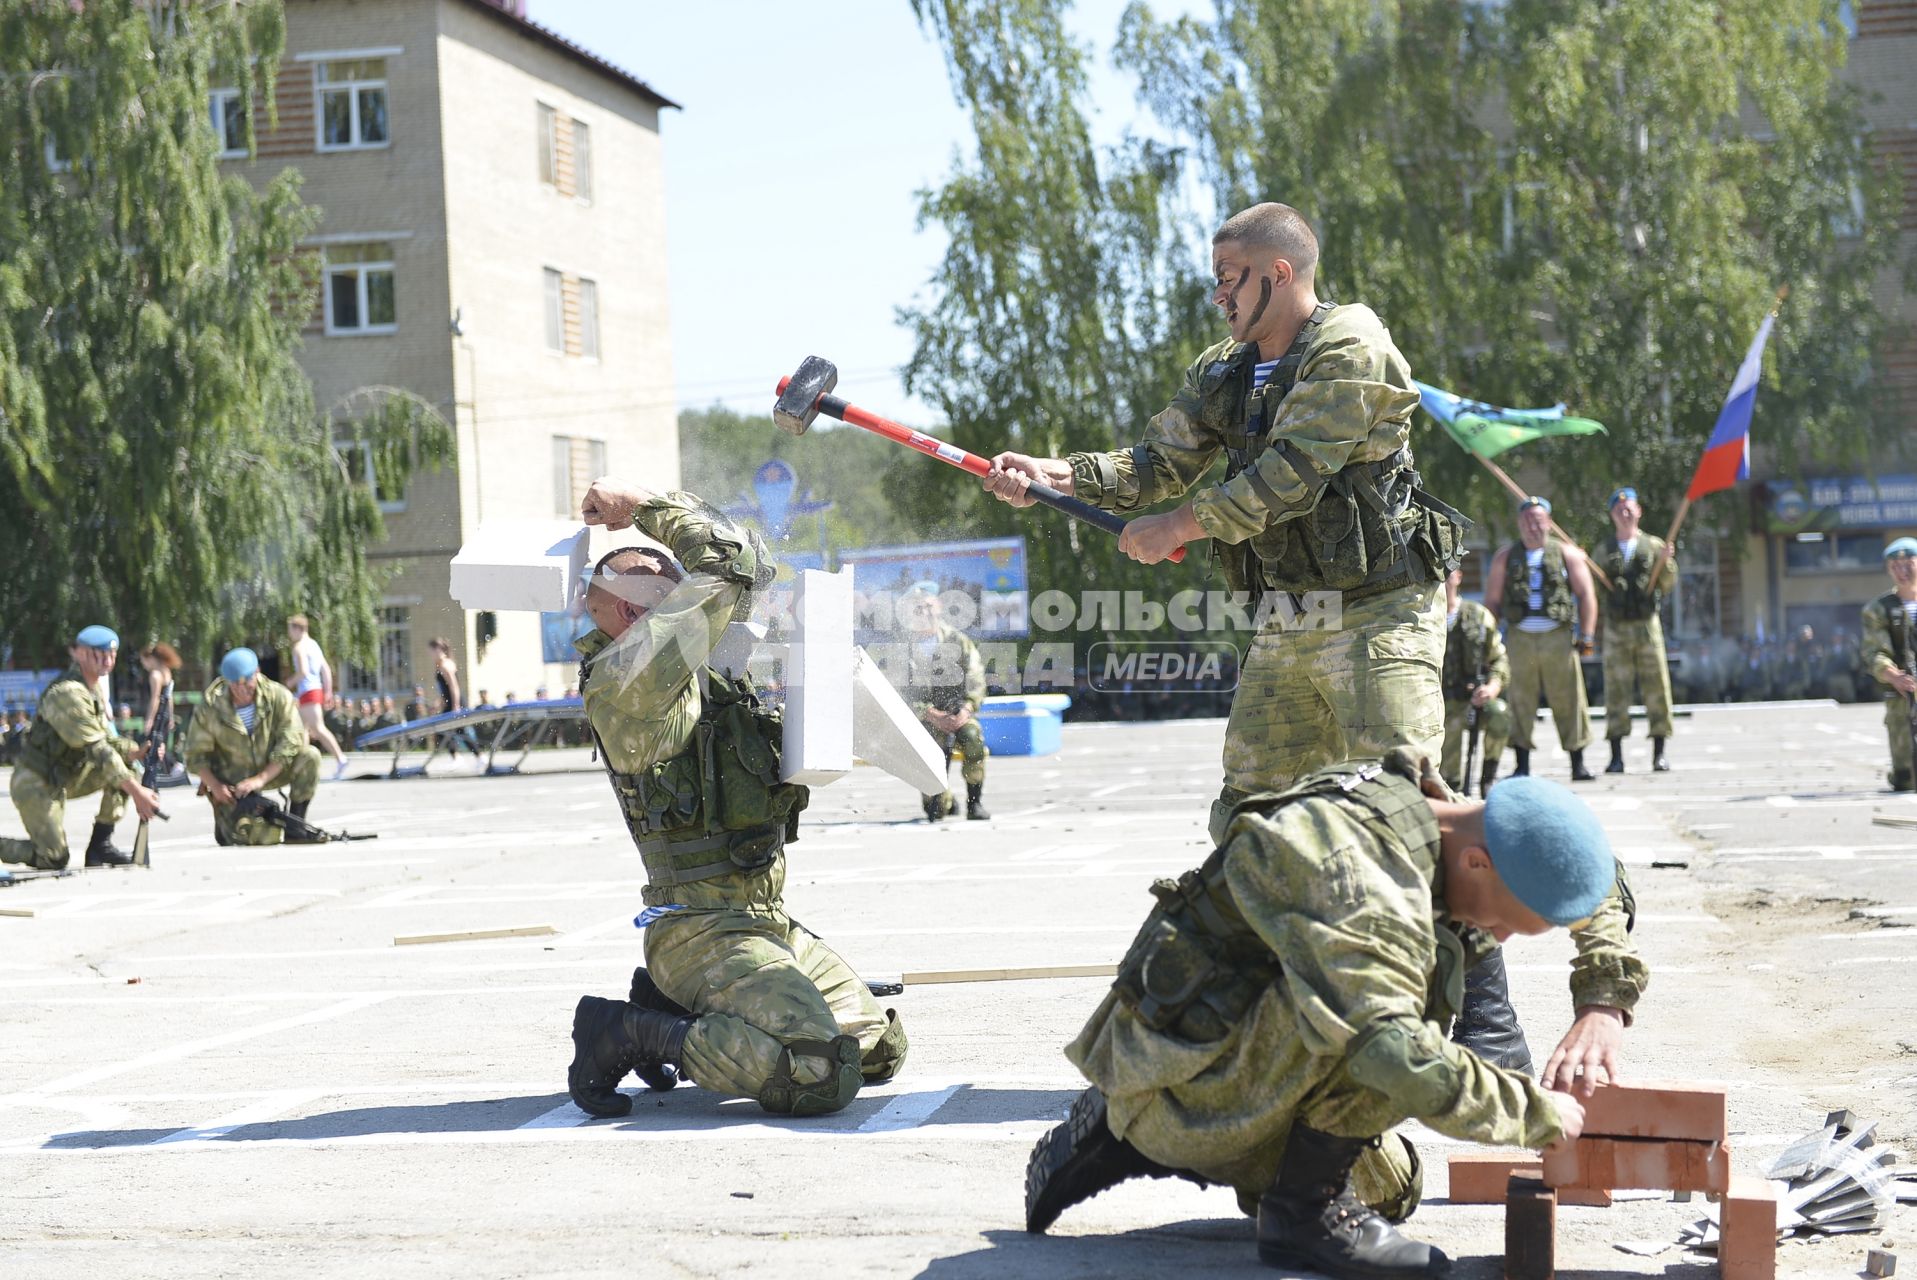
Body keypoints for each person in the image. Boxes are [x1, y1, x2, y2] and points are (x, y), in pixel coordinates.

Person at [1023, 749, 1646, 1278]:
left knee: (1393, 1189)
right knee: (1397, 1021)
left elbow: (1591, 874)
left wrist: (1604, 999)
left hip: (1214, 1046)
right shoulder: (1358, 881)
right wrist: (1533, 1114)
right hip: (1182, 1080)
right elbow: (1392, 1052)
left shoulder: (1442, 815)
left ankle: (1136, 1134)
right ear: (1478, 862)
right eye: (1507, 921)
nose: (1500, 939)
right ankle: (1247, 1185)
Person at [982, 202, 1467, 844]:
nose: (1218, 294)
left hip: (1379, 611)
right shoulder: (1225, 368)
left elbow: (1291, 475)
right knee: (1248, 816)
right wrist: (1059, 476)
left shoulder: (1352, 342)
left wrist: (1178, 527)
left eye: (1230, 275)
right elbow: (1159, 463)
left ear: (1281, 272)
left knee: (1407, 806)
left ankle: (1507, 932)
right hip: (1294, 616)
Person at [562, 478, 907, 1120]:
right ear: (635, 613)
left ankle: (670, 1009)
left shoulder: (700, 669)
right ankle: (627, 1030)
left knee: (879, 1050)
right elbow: (731, 562)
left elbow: (746, 570)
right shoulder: (628, 678)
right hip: (699, 929)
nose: (680, 582)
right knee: (817, 1074)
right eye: (658, 579)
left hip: (760, 916)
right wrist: (641, 510)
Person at [0, 626, 163, 870]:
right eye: (99, 653)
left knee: (125, 765)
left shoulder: (92, 689)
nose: (107, 659)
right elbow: (99, 749)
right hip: (37, 782)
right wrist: (138, 792)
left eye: (112, 653)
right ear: (80, 654)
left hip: (65, 775)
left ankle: (100, 844)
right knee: (54, 858)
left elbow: (108, 740)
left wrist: (138, 751)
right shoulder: (68, 694)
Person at [1483, 496, 1598, 782]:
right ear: (1519, 524)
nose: (1532, 526)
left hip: (1557, 638)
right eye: (1526, 521)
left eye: (1537, 520)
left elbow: (1586, 595)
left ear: (1548, 522)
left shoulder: (1567, 554)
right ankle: (1521, 764)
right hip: (1520, 637)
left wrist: (1587, 635)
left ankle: (1578, 762)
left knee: (1569, 698)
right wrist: (1486, 644)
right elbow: (1493, 602)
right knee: (1520, 701)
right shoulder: (1505, 557)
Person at [185, 647, 325, 845]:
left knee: (310, 756)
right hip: (233, 783)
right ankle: (226, 819)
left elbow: (290, 740)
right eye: (235, 684)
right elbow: (195, 755)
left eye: (247, 682)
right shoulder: (210, 707)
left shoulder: (278, 697)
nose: (242, 690)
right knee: (258, 837)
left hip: (271, 770)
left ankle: (296, 826)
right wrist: (215, 786)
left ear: (257, 672)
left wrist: (260, 779)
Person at [1592, 488, 1678, 773]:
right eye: (1619, 510)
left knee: (1657, 688)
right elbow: (1593, 588)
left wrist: (1667, 562)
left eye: (1629, 509)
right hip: (1616, 628)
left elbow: (1667, 584)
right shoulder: (1604, 550)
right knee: (1616, 690)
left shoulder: (1653, 546)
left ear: (1639, 511)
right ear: (1612, 515)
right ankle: (1616, 756)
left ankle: (1659, 753)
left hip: (1646, 626)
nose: (1624, 514)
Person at [899, 579, 991, 821]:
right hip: (922, 719)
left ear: (939, 606)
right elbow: (897, 691)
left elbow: (976, 676)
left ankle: (975, 803)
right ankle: (943, 800)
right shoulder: (903, 648)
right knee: (935, 811)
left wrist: (968, 708)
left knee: (973, 739)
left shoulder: (957, 641)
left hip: (957, 713)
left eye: (928, 606)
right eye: (917, 607)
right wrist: (929, 713)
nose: (924, 612)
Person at [1439, 568, 1509, 798]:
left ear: (1458, 576)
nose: (1443, 583)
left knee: (1499, 715)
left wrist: (1491, 688)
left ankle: (1488, 778)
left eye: (1447, 576)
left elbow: (1499, 659)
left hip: (1471, 700)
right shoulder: (1424, 619)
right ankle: (1450, 785)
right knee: (1451, 781)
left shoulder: (1478, 616)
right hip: (1437, 704)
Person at [1862, 537, 1917, 793]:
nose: (1902, 571)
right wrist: (1893, 675)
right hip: (1902, 695)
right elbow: (1875, 651)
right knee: (1907, 778)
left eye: (1908, 563)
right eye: (1895, 565)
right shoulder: (1879, 609)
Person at [285, 614, 348, 778]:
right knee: (302, 729)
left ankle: (341, 758)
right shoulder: (314, 645)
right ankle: (303, 766)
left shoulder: (299, 647)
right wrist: (327, 691)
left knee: (317, 728)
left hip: (307, 691)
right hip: (315, 690)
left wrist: (289, 683)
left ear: (298, 629)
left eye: (290, 630)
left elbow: (303, 672)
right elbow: (325, 669)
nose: (289, 634)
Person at [428, 637, 480, 758]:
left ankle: (460, 757)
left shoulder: (446, 665)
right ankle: (474, 757)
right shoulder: (440, 665)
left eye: (431, 651)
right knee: (454, 731)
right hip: (450, 703)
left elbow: (454, 687)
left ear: (439, 649)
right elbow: (444, 691)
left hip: (455, 703)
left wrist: (456, 706)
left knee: (446, 730)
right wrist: (437, 705)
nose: (430, 655)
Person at [138, 642, 182, 779]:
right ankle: (167, 768)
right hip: (165, 713)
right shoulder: (166, 672)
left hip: (158, 714)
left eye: (143, 661)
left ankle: (173, 765)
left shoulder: (155, 675)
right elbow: (169, 697)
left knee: (151, 743)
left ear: (149, 658)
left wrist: (149, 719)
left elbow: (155, 698)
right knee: (159, 743)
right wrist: (171, 715)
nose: (144, 665)